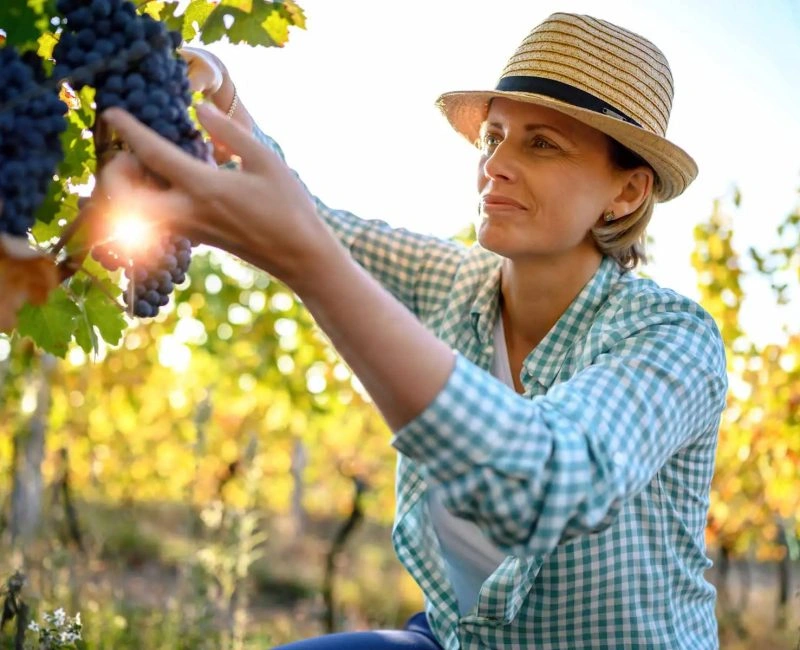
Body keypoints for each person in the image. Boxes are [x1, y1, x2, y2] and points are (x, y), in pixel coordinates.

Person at [92, 12, 729, 650]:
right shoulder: (451, 278)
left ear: (627, 190)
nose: (496, 165)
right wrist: (219, 91)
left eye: (541, 144)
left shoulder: (671, 338)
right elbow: (310, 223)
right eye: (494, 138)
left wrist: (314, 267)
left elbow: (552, 483)